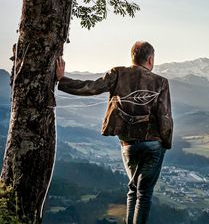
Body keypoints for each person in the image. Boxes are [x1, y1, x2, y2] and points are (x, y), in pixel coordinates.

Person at [55, 41, 173, 224]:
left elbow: (91, 87)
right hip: (152, 145)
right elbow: (165, 117)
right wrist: (165, 143)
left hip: (128, 145)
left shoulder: (118, 74)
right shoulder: (160, 82)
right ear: (150, 59)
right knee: (145, 193)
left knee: (133, 189)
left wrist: (62, 80)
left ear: (133, 57)